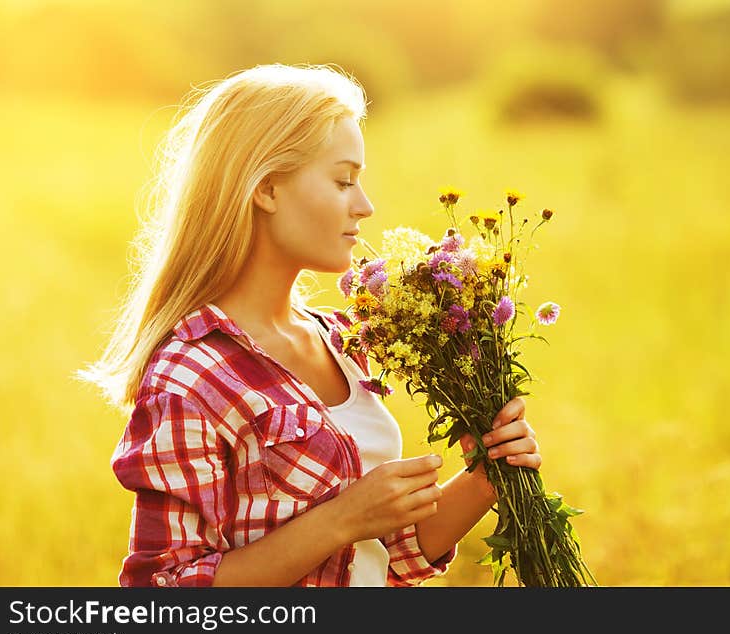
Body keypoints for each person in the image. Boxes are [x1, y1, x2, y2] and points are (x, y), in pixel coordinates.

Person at [78, 63, 541, 587]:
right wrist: (343, 518)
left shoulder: (342, 341)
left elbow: (380, 556)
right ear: (267, 189)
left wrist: (487, 475)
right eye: (343, 180)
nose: (364, 206)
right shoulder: (191, 376)